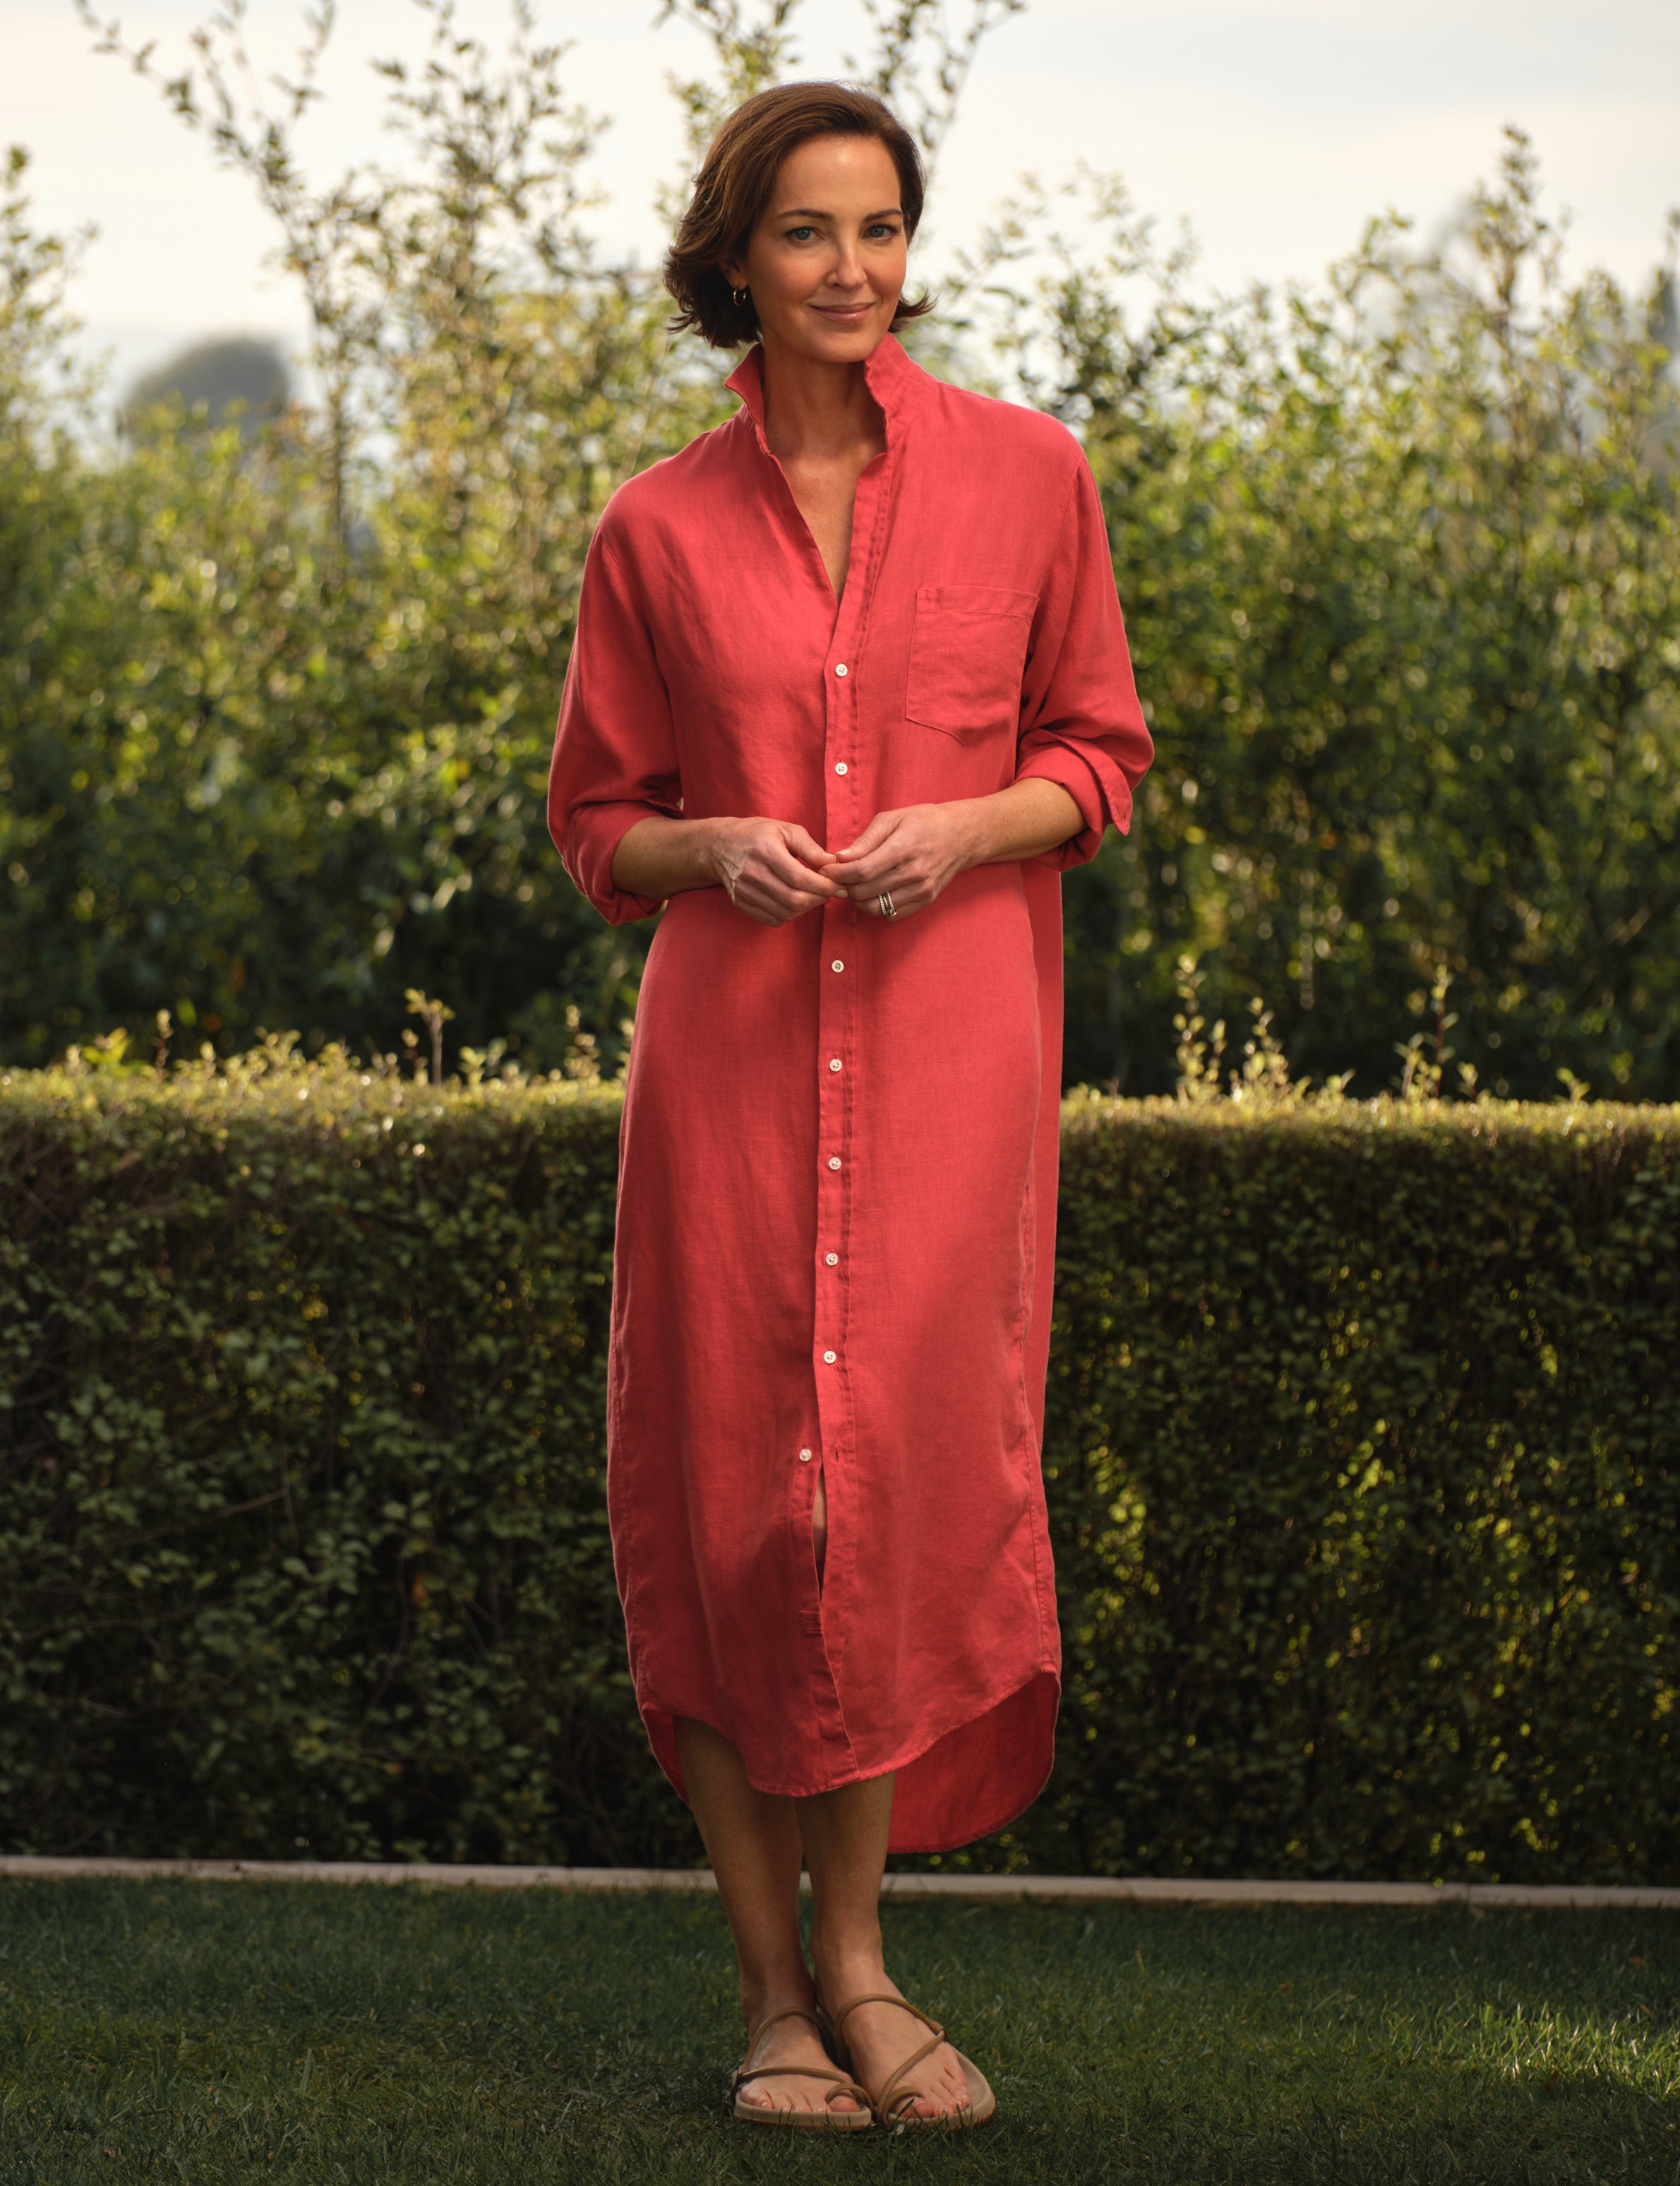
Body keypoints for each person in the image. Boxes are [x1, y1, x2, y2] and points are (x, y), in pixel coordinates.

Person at [547, 80, 1153, 2131]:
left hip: (944, 1078)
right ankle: (768, 2000)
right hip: (724, 1085)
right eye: (806, 234)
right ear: (736, 254)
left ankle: (867, 1966)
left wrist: (970, 827)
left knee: (881, 1503)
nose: (852, 273)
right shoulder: (653, 525)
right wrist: (707, 849)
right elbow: (592, 824)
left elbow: (1100, 755)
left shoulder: (1028, 479)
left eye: (879, 228)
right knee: (733, 1514)